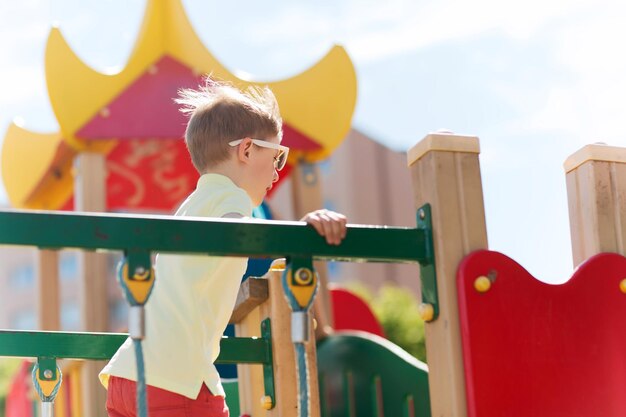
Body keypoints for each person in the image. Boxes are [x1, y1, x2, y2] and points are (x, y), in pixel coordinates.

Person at [100, 79, 348, 417]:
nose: (277, 172)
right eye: (276, 156)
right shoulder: (233, 198)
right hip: (175, 379)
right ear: (246, 150)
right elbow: (240, 232)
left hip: (129, 373)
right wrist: (298, 234)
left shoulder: (192, 204)